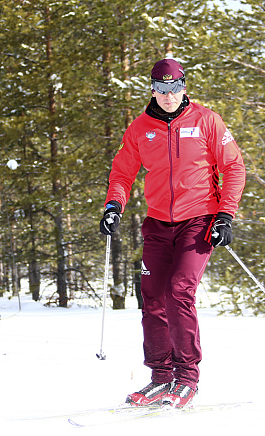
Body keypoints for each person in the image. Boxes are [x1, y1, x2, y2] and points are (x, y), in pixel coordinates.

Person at [99, 58, 246, 408]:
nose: (168, 95)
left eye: (175, 88)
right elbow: (122, 173)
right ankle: (161, 377)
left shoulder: (207, 120)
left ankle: (187, 377)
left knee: (179, 290)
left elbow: (234, 166)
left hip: (199, 219)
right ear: (153, 89)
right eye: (162, 89)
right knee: (151, 296)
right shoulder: (140, 128)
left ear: (184, 87)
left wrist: (225, 215)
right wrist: (113, 206)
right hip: (158, 222)